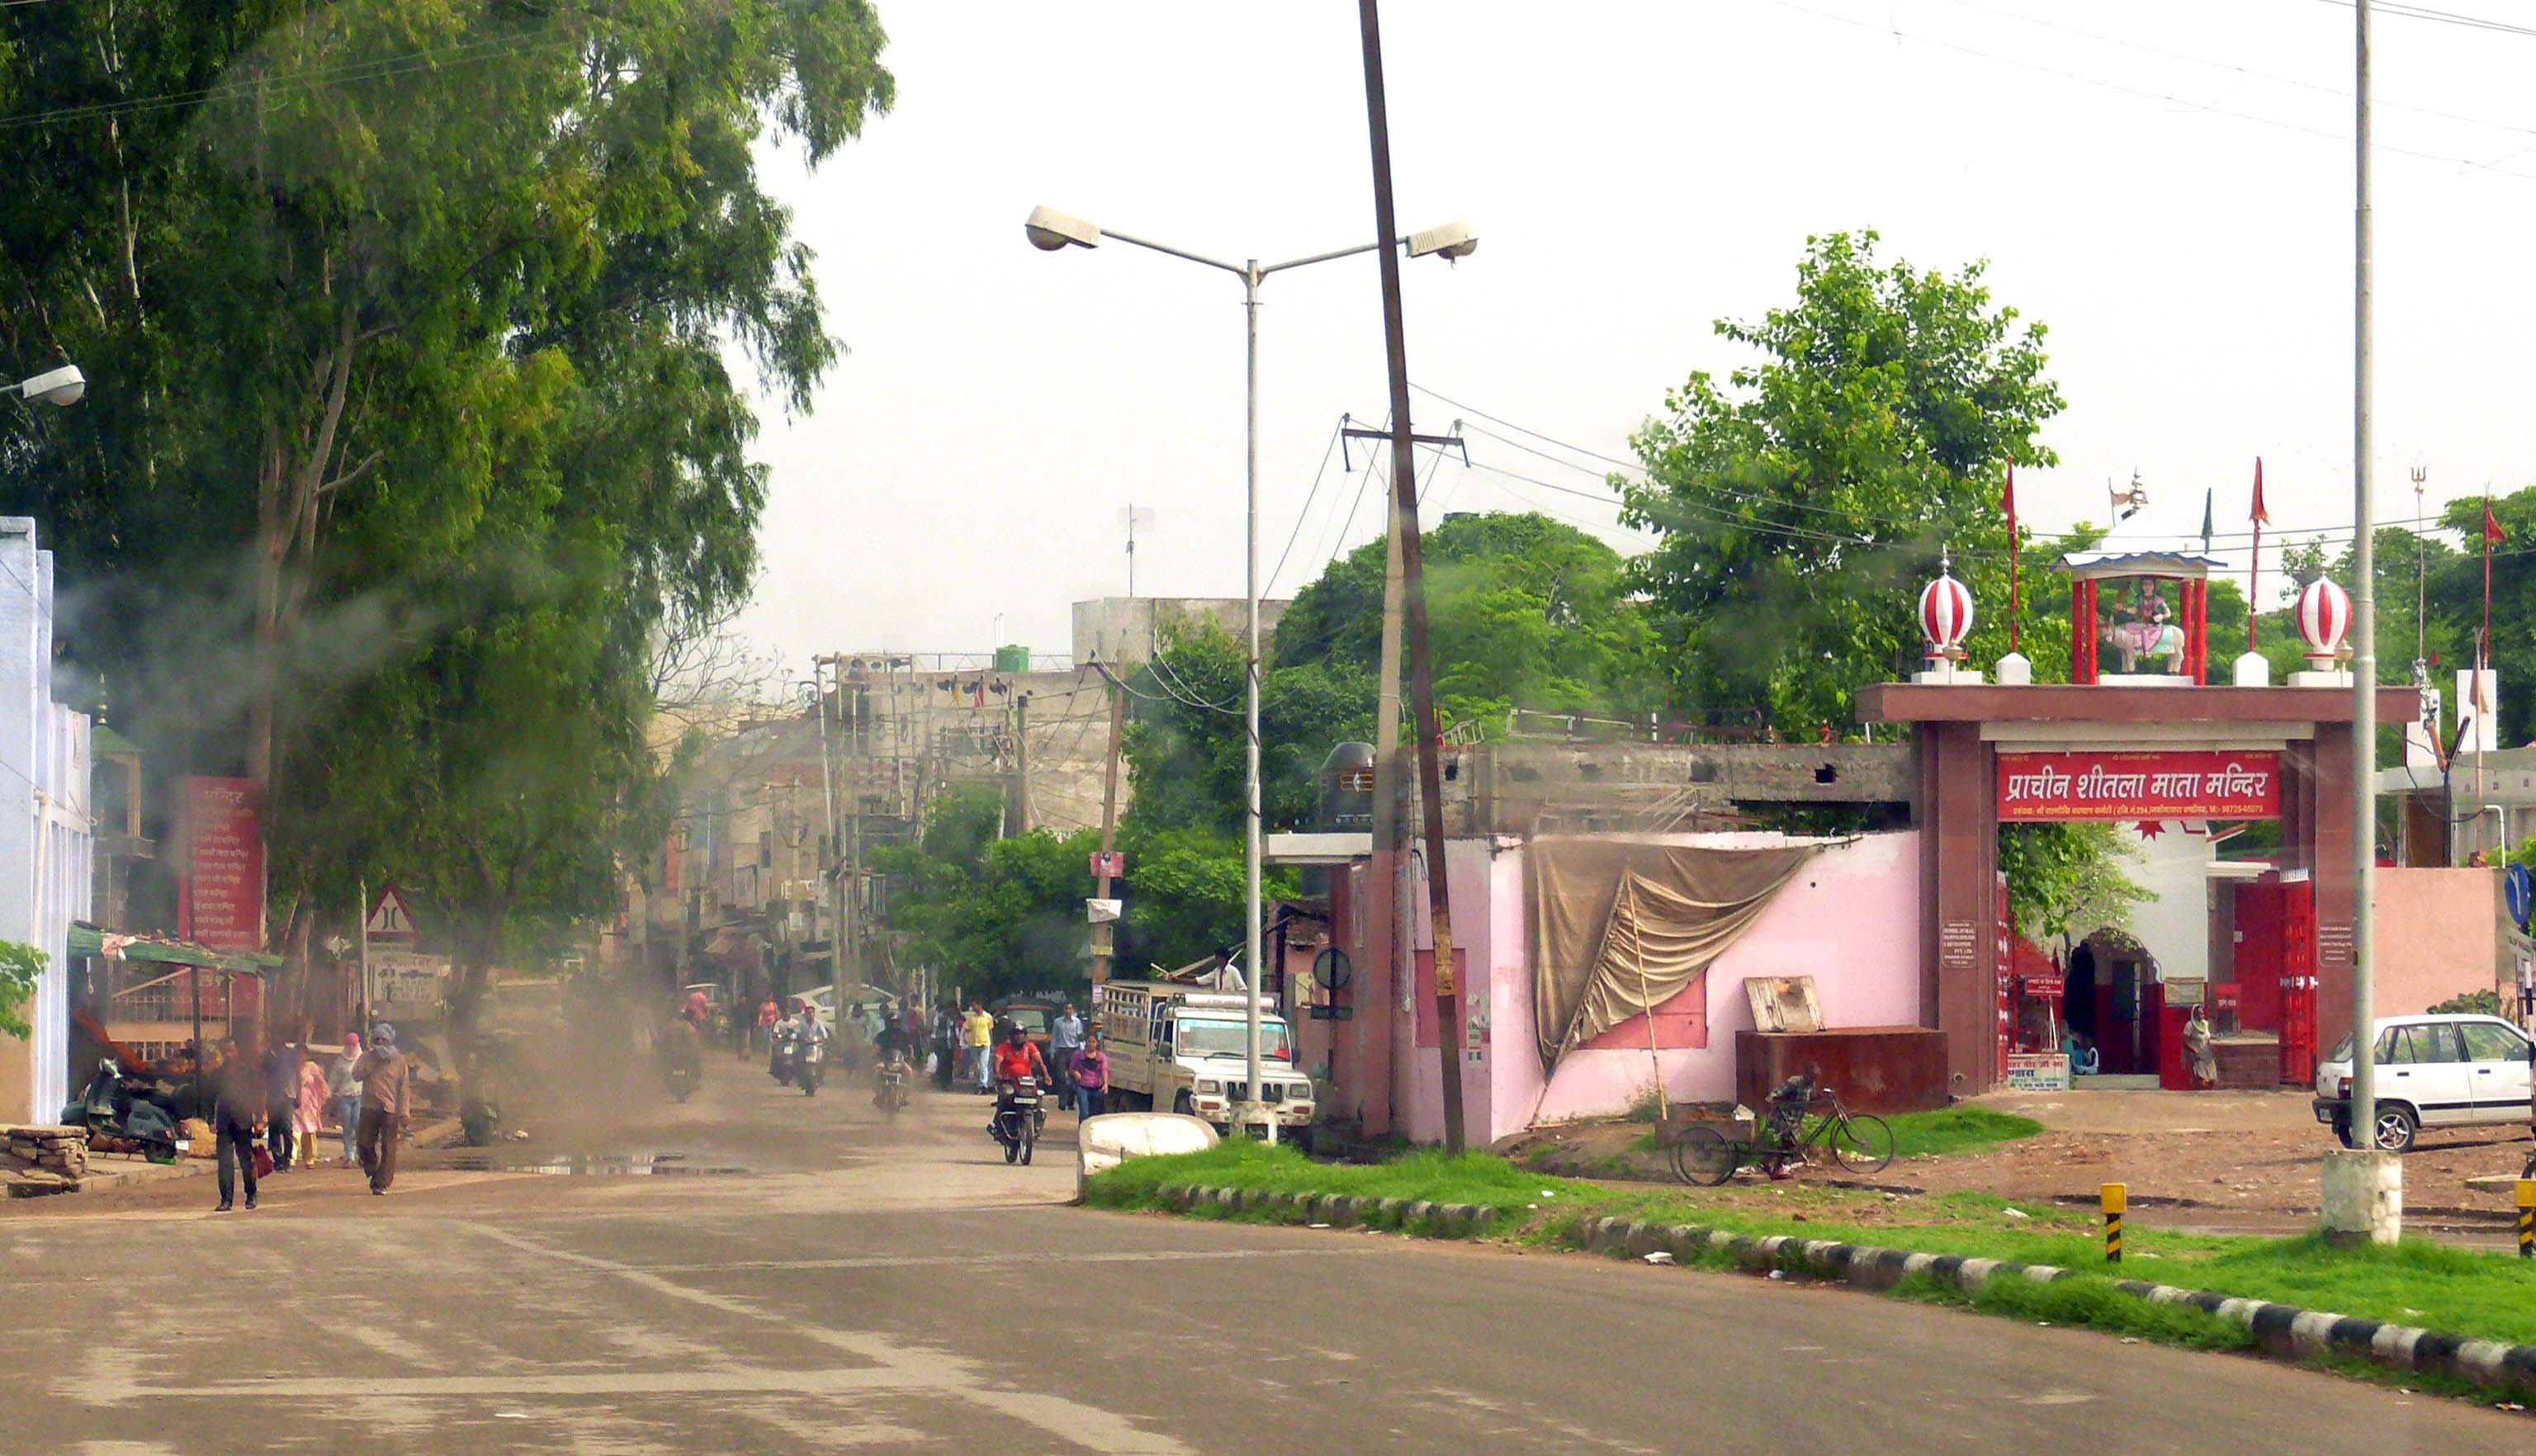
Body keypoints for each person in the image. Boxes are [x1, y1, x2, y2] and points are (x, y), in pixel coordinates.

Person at [353, 1023, 411, 1195]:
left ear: (390, 1041)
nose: (380, 1043)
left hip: (390, 1109)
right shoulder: (366, 1057)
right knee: (364, 1142)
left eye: (383, 1040)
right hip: (369, 1107)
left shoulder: (399, 1060)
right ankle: (372, 1167)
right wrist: (372, 1065)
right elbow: (355, 1076)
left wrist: (405, 1112)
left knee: (388, 1146)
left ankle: (381, 1182)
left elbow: (404, 1088)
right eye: (377, 1040)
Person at [211, 1034, 266, 1213]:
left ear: (237, 1051)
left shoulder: (248, 1072)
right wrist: (210, 1120)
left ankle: (251, 1195)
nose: (228, 1054)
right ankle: (226, 1200)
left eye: (231, 1050)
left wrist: (259, 1119)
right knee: (225, 1163)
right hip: (225, 1122)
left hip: (243, 1121)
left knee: (246, 1162)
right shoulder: (218, 1074)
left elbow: (258, 1095)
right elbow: (210, 1097)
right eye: (225, 1051)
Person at [991, 1022, 1052, 1128]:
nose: (1019, 1036)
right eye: (1016, 1034)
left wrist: (1046, 1076)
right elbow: (998, 1061)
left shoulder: (1030, 1047)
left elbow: (1040, 1062)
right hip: (1008, 1082)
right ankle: (998, 1125)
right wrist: (998, 1074)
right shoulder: (1004, 1047)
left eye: (1021, 1033)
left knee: (1037, 1100)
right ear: (1011, 1036)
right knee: (1004, 1098)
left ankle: (1037, 1125)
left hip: (1026, 1082)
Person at [262, 1038, 304, 1171]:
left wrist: (299, 1095)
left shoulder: (291, 1054)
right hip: (273, 1097)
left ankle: (287, 1158)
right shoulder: (267, 1056)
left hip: (288, 1096)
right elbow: (262, 1077)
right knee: (274, 1128)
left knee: (287, 1126)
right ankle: (277, 1159)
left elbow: (298, 1075)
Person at [327, 1033, 365, 1164]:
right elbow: (334, 1078)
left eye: (354, 1044)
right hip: (345, 1097)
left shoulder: (363, 1058)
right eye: (349, 1044)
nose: (352, 1047)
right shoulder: (341, 1061)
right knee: (347, 1127)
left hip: (359, 1096)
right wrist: (329, 1092)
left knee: (358, 1123)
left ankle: (362, 1153)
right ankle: (350, 1155)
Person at [293, 1043, 329, 1162]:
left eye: (302, 1054)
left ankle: (310, 1158)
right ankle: (291, 1158)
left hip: (309, 1104)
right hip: (295, 1102)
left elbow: (321, 1082)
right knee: (295, 1130)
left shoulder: (312, 1067)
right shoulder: (291, 1067)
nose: (300, 1057)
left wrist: (324, 1095)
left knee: (309, 1131)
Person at [1069, 1032, 1108, 1120]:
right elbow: (1071, 1069)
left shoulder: (1101, 1057)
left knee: (1096, 1115)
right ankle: (1083, 1131)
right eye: (1089, 1042)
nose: (1091, 1044)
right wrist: (1075, 1073)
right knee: (1084, 1113)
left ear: (1097, 1043)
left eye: (1093, 1042)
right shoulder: (1078, 1055)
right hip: (1083, 1087)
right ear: (1086, 1042)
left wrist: (1105, 1084)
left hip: (1097, 1088)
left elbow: (1104, 1070)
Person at [1050, 1002, 1086, 1097]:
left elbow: (1080, 1037)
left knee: (1073, 1077)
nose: (1068, 1011)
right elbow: (1054, 1038)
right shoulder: (1057, 1022)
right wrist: (1052, 1053)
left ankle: (1070, 1100)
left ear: (1073, 1010)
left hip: (1074, 1051)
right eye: (1066, 1009)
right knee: (1061, 1077)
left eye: (1070, 1009)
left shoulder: (1077, 1022)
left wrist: (1082, 1052)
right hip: (1061, 1051)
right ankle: (1062, 1100)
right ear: (1064, 1009)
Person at [962, 1001, 995, 1094]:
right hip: (974, 1044)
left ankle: (983, 1085)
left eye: (974, 1005)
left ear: (980, 1006)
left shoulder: (988, 1017)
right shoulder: (970, 1018)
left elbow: (990, 1031)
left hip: (985, 1044)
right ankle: (979, 1083)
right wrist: (967, 1040)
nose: (972, 1007)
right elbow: (966, 1030)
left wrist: (991, 1043)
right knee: (978, 1066)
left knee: (983, 1065)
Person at [932, 1003, 960, 1090]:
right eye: (952, 1008)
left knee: (949, 1064)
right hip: (941, 1044)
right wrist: (933, 1042)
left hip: (950, 1044)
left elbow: (956, 1031)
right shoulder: (939, 1017)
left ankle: (948, 1083)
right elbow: (934, 1030)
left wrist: (957, 1041)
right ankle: (941, 1082)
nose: (953, 1010)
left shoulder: (953, 1018)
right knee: (941, 1063)